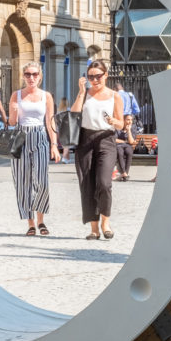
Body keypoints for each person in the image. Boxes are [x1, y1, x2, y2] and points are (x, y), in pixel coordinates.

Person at [72, 59, 123, 240]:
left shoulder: (114, 96)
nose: (94, 80)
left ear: (106, 75)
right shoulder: (85, 94)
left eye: (98, 76)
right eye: (91, 76)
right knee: (87, 183)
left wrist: (114, 122)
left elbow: (121, 122)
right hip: (85, 139)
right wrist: (80, 92)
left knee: (104, 183)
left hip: (106, 139)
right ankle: (93, 228)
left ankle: (105, 222)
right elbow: (74, 114)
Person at [7, 62, 60, 236]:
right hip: (21, 136)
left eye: (35, 74)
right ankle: (30, 223)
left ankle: (41, 220)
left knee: (41, 181)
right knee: (23, 181)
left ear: (40, 76)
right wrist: (14, 112)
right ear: (23, 76)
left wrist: (54, 145)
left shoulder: (46, 96)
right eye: (28, 74)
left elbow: (50, 121)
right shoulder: (17, 95)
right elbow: (12, 123)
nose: (31, 78)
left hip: (40, 136)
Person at [114, 114, 137, 181]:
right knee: (120, 152)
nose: (130, 121)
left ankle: (124, 174)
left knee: (129, 152)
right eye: (128, 119)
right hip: (118, 145)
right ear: (123, 120)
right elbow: (114, 139)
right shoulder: (118, 127)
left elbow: (131, 141)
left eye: (131, 120)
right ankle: (124, 173)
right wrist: (124, 141)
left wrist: (129, 131)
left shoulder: (132, 128)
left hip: (128, 145)